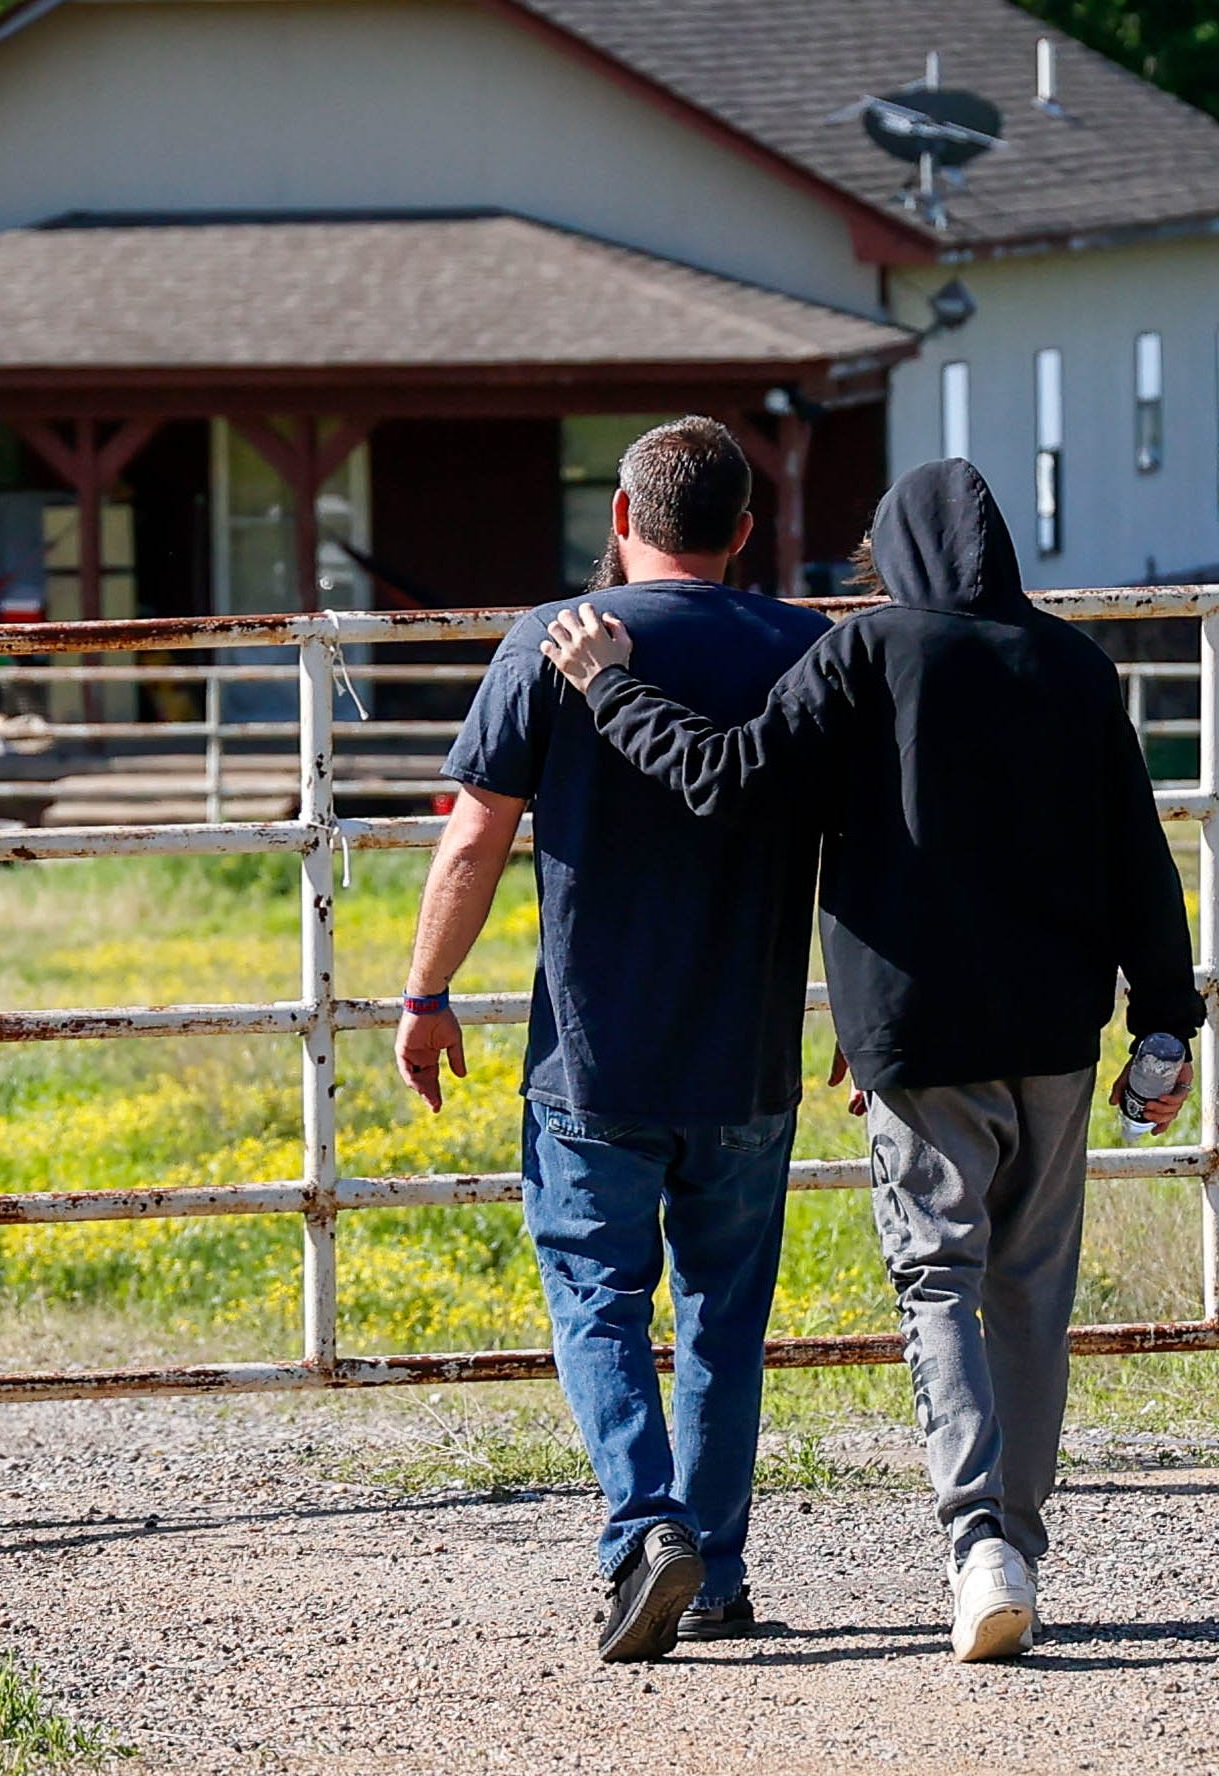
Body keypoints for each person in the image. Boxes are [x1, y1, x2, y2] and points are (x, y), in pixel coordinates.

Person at [539, 457, 1203, 1663]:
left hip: (918, 1032)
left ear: (897, 552)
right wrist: (1167, 1021)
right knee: (1032, 1296)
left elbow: (727, 779)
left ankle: (977, 1544)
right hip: (1056, 1034)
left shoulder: (868, 653)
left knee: (939, 1278)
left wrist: (610, 688)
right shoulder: (1074, 666)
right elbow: (1140, 857)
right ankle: (1016, 1539)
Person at [393, 416, 831, 1664]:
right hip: (748, 1056)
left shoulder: (555, 641)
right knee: (723, 1316)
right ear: (744, 532)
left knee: (596, 1296)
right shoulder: (810, 650)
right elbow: (868, 853)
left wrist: (425, 996)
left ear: (624, 522)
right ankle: (721, 1572)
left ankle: (646, 1529)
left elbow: (474, 840)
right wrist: (862, 1009)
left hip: (592, 1053)